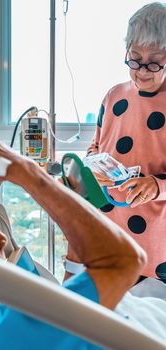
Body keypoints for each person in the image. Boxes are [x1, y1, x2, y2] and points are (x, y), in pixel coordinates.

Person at [0, 133, 164, 349]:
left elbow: (71, 305)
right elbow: (125, 260)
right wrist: (23, 170)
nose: (2, 238)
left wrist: (75, 215)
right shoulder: (5, 336)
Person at [87, 2, 166, 280]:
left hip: (157, 249)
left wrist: (156, 186)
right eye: (135, 59)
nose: (142, 70)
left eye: (154, 61)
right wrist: (93, 170)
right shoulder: (113, 97)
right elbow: (95, 148)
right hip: (109, 233)